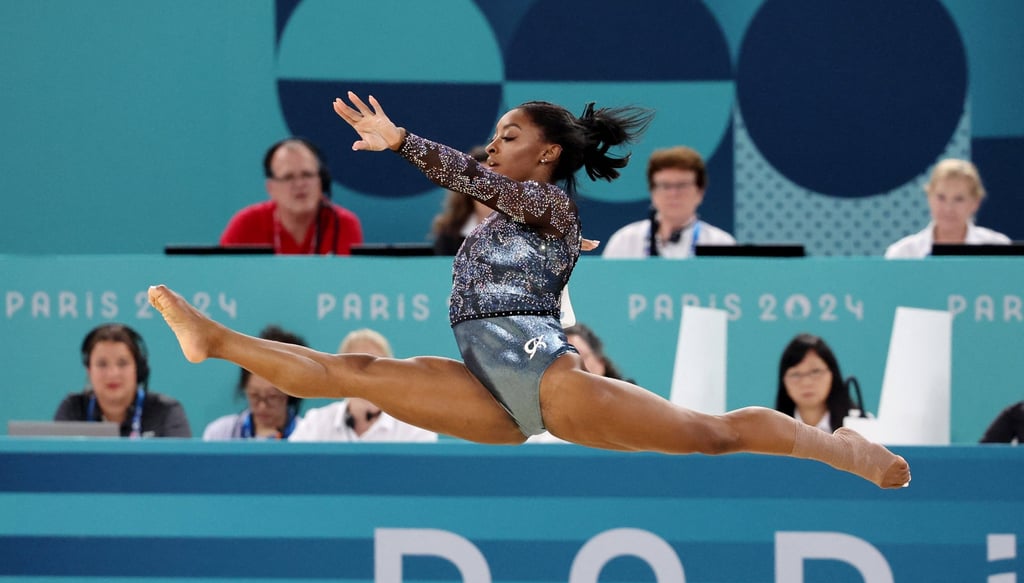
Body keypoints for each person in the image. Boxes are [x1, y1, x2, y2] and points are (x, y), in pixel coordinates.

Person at [147, 90, 909, 490]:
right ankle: (214, 342)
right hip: (489, 386)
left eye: (509, 135)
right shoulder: (526, 217)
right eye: (495, 135)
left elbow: (474, 179)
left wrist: (402, 142)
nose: (493, 146)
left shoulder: (549, 202)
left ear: (546, 153)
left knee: (711, 435)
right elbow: (489, 198)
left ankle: (837, 447)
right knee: (358, 373)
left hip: (544, 373)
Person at [219, 137, 364, 255]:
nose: (300, 184)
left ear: (322, 181)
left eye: (307, 175)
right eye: (288, 177)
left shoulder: (343, 223)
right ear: (271, 188)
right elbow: (224, 279)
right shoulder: (245, 225)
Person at [290, 328, 438, 442]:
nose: (367, 376)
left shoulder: (414, 427)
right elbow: (292, 468)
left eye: (377, 366)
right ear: (340, 374)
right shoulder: (316, 422)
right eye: (358, 367)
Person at [54, 322, 191, 438]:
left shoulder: (165, 412)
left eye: (122, 363)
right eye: (102, 364)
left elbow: (183, 466)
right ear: (89, 370)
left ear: (137, 369)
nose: (113, 374)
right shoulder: (73, 410)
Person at [603, 146, 737, 258]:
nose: (673, 193)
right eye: (665, 186)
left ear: (700, 192)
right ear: (652, 191)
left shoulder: (721, 243)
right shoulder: (625, 241)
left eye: (682, 185)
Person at [885, 158, 1011, 258]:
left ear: (975, 203)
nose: (948, 208)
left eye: (959, 199)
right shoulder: (903, 254)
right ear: (929, 197)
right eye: (941, 198)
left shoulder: (999, 248)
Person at [202, 325, 309, 440]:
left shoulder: (309, 434)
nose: (262, 406)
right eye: (254, 395)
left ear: (290, 395)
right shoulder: (221, 433)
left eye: (272, 397)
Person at [775, 334, 853, 433]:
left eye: (815, 371)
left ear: (832, 374)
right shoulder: (772, 430)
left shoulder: (859, 425)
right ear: (784, 380)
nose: (806, 382)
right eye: (795, 374)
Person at [429, 145, 492, 255]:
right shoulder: (449, 233)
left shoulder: (525, 227)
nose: (486, 184)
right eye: (480, 178)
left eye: (494, 177)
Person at [563, 323, 633, 383]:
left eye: (578, 357)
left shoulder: (631, 397)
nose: (571, 367)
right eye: (563, 363)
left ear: (600, 363)